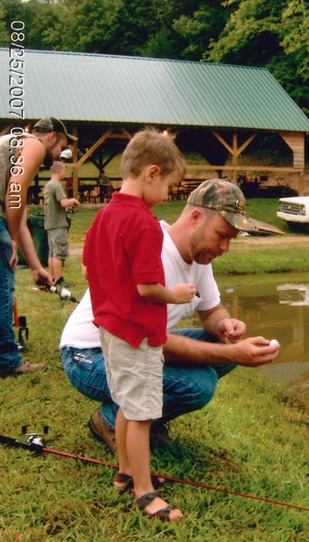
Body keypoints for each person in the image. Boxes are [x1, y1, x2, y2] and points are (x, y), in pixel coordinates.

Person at [60, 178, 280, 453]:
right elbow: (150, 340)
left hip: (140, 343)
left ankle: (140, 417)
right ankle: (109, 420)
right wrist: (234, 355)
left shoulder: (199, 257)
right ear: (196, 218)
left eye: (231, 239)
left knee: (226, 345)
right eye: (222, 235)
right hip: (88, 354)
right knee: (198, 385)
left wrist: (224, 325)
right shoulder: (151, 247)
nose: (225, 247)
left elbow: (211, 310)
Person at [83, 129, 197, 521]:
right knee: (143, 411)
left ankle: (126, 471)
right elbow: (148, 287)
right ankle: (145, 492)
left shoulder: (103, 216)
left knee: (124, 403)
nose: (168, 195)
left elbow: (88, 268)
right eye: (169, 185)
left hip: (109, 330)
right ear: (151, 173)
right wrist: (177, 295)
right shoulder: (144, 223)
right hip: (138, 333)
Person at [0, 116, 77, 376]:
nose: (58, 155)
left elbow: (18, 217)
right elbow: (15, 192)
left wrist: (35, 268)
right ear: (51, 136)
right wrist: (10, 239)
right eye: (61, 147)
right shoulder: (33, 144)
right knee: (3, 288)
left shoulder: (16, 144)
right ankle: (6, 361)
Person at [44, 161, 79, 285]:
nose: (65, 173)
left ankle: (51, 277)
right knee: (59, 252)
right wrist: (73, 201)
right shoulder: (57, 185)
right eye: (64, 170)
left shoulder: (48, 185)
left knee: (52, 252)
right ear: (59, 171)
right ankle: (59, 279)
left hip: (49, 223)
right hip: (58, 224)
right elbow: (64, 203)